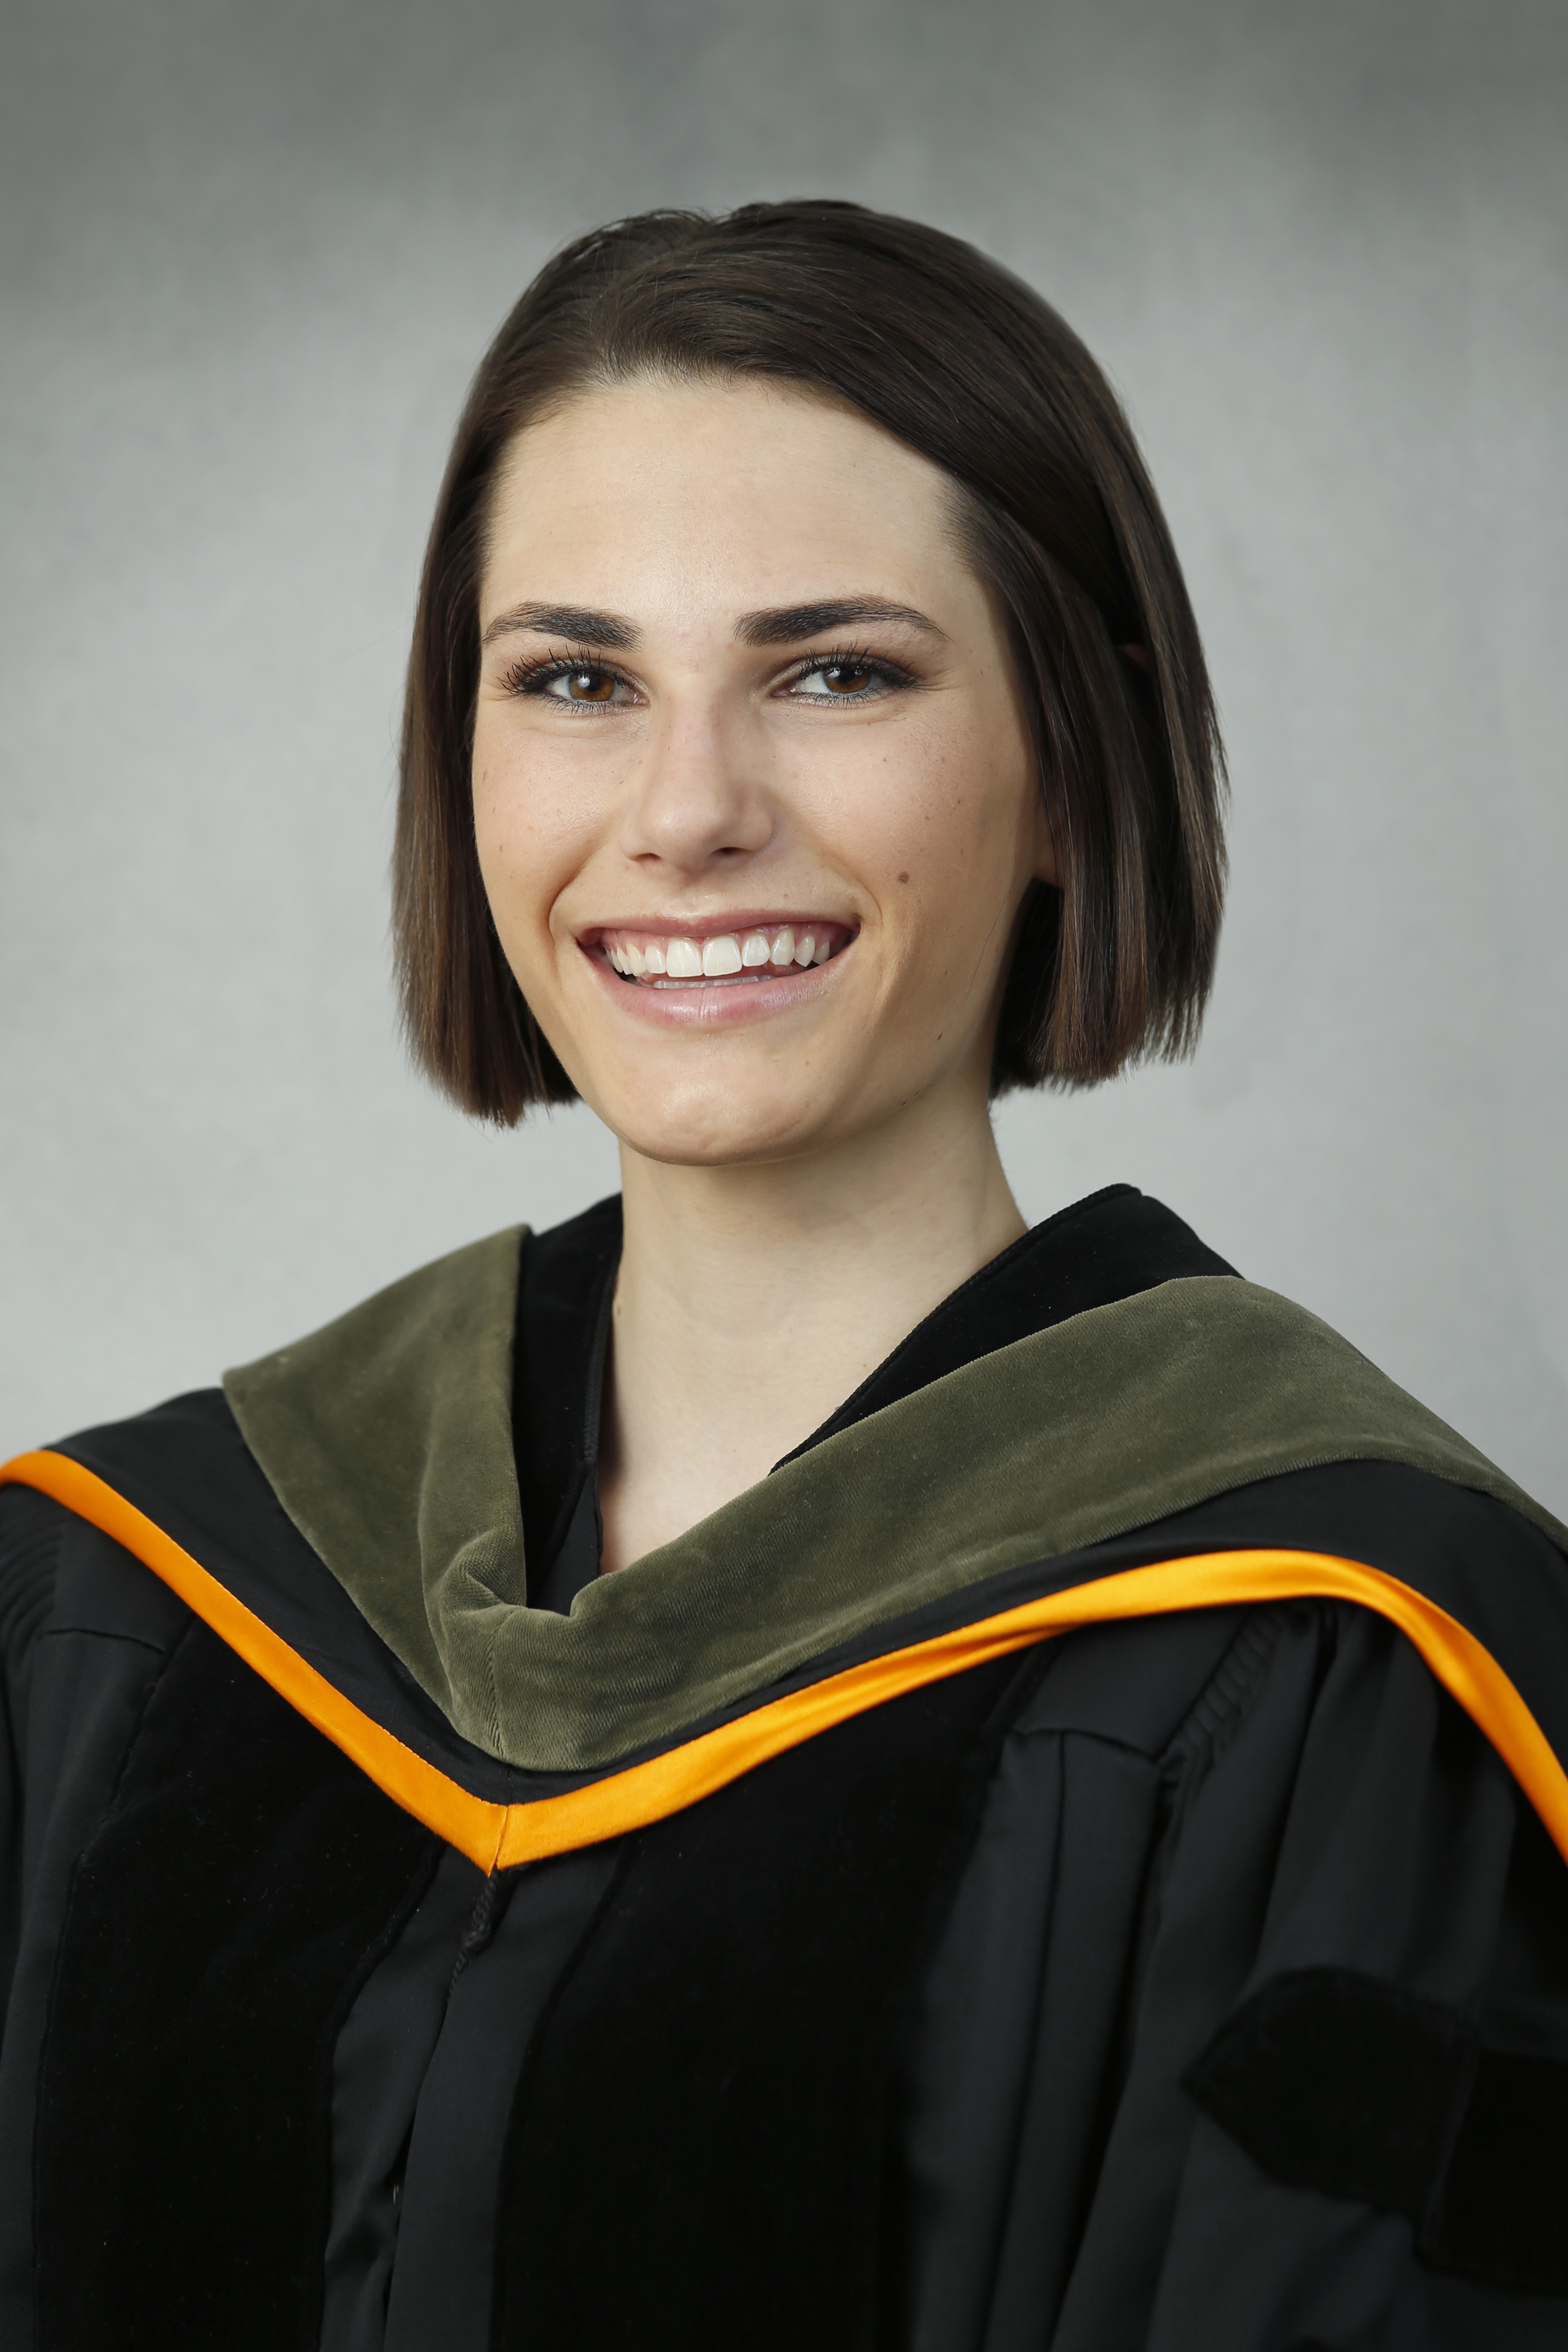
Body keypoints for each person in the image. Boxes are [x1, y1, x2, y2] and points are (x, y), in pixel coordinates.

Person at [2, 201, 1566, 2352]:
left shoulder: (1341, 1674)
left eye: (832, 673)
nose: (685, 810)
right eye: (573, 679)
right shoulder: (122, 1601)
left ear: (1063, 765)